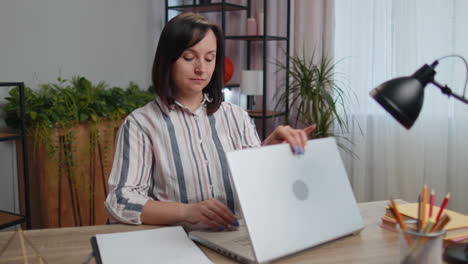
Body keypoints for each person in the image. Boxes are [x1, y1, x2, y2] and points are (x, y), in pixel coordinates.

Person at [105, 12, 315, 231]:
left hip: (240, 237)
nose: (201, 69)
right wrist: (186, 212)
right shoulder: (141, 124)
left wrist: (271, 148)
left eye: (209, 58)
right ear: (168, 59)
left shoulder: (237, 117)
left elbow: (255, 184)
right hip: (180, 241)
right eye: (189, 57)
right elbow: (121, 200)